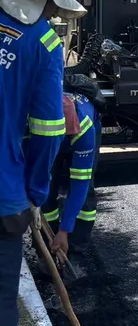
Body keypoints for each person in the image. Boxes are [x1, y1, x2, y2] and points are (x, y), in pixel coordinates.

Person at [0, 0, 86, 326]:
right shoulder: (43, 42)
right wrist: (35, 195)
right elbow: (49, 132)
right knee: (1, 314)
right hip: (4, 196)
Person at [40, 76, 105, 264]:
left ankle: (76, 249)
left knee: (85, 192)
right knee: (46, 188)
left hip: (80, 135)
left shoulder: (85, 128)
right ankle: (48, 245)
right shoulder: (36, 121)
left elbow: (79, 184)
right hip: (49, 140)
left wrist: (64, 231)